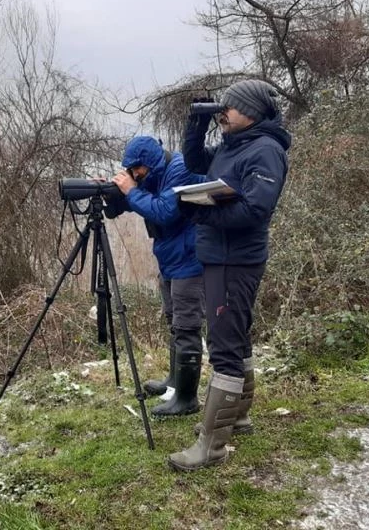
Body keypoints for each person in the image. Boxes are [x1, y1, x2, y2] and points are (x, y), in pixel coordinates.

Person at [168, 79, 291, 471]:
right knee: (235, 336)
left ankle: (212, 447)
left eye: (229, 108)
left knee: (223, 347)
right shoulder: (233, 145)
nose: (224, 113)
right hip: (220, 255)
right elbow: (192, 161)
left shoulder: (266, 151)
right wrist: (196, 120)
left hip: (235, 259)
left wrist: (201, 211)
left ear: (251, 112)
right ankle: (239, 416)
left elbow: (256, 210)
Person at [103, 135, 206, 417]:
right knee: (174, 322)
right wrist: (114, 193)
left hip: (191, 259)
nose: (135, 174)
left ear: (149, 162)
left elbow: (164, 211)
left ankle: (187, 399)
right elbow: (136, 200)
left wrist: (131, 191)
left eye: (137, 169)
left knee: (186, 327)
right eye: (131, 170)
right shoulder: (153, 174)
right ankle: (174, 382)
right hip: (171, 259)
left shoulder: (180, 168)